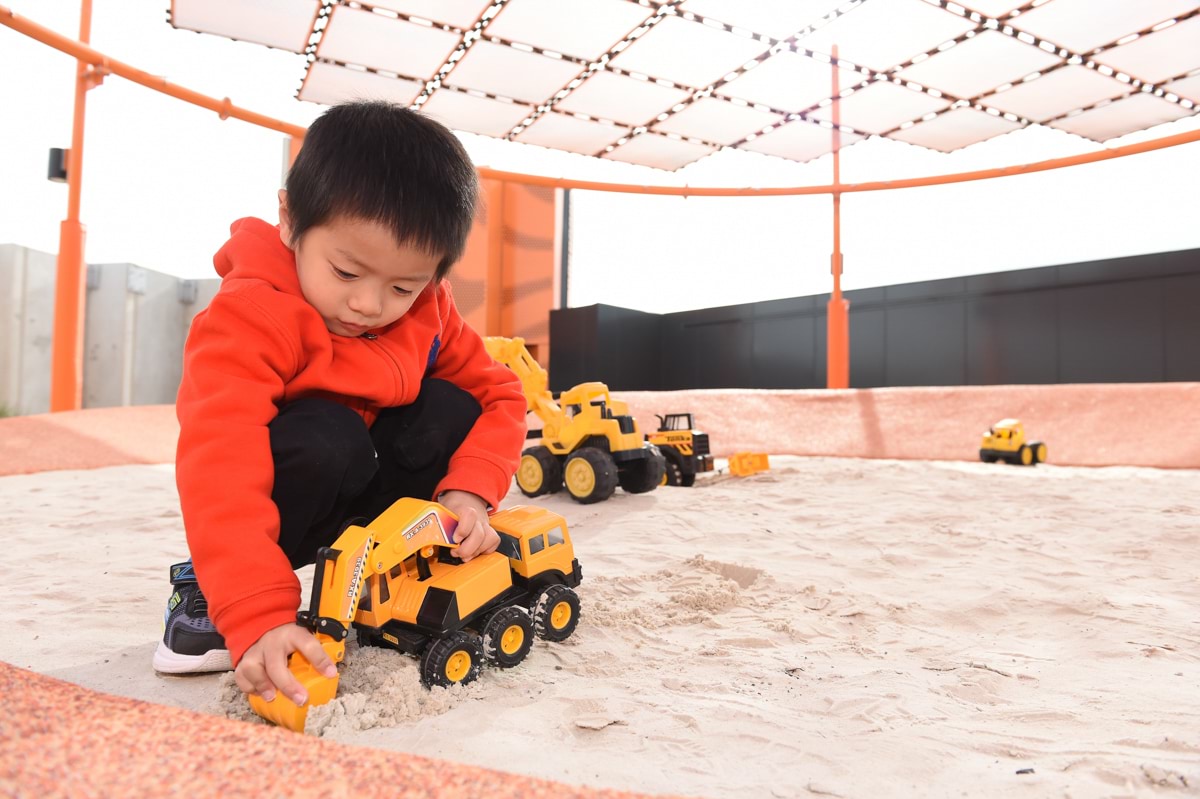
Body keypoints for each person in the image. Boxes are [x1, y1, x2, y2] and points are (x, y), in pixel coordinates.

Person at [152, 100, 527, 711]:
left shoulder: (429, 310)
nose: (369, 305)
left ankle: (393, 568)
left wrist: (472, 491)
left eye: (402, 287)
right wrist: (255, 611)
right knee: (327, 433)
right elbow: (220, 459)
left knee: (450, 403)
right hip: (286, 496)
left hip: (368, 508)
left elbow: (501, 394)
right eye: (347, 271)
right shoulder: (249, 319)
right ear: (290, 221)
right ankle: (206, 586)